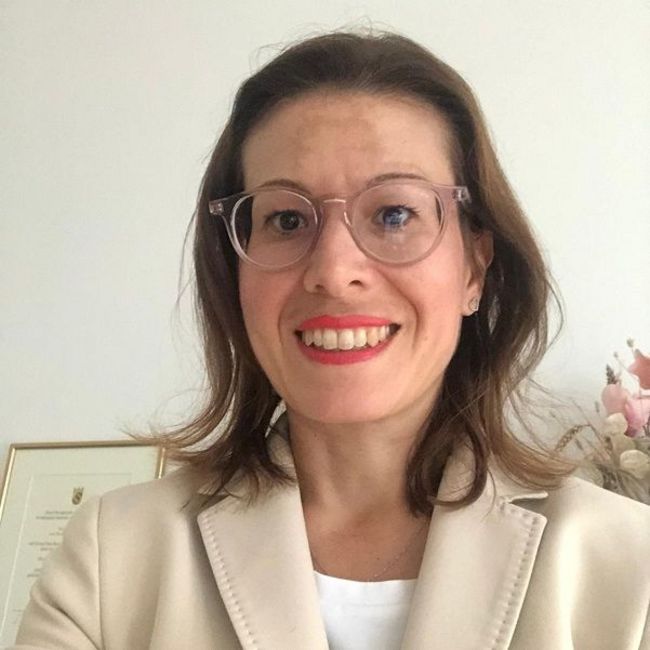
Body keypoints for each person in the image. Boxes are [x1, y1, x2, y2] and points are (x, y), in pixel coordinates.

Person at [12, 29, 649, 650]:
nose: (334, 272)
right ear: (234, 269)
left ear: (474, 269)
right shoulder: (112, 559)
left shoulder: (631, 568)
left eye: (394, 213)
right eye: (287, 219)